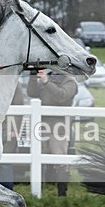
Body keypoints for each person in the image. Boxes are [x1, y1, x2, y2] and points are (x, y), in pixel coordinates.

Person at [27, 68, 78, 196]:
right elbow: (32, 92)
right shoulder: (48, 78)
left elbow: (61, 96)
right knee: (40, 156)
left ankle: (62, 193)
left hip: (59, 126)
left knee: (59, 159)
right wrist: (33, 76)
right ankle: (41, 189)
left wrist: (46, 82)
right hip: (42, 124)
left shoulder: (70, 81)